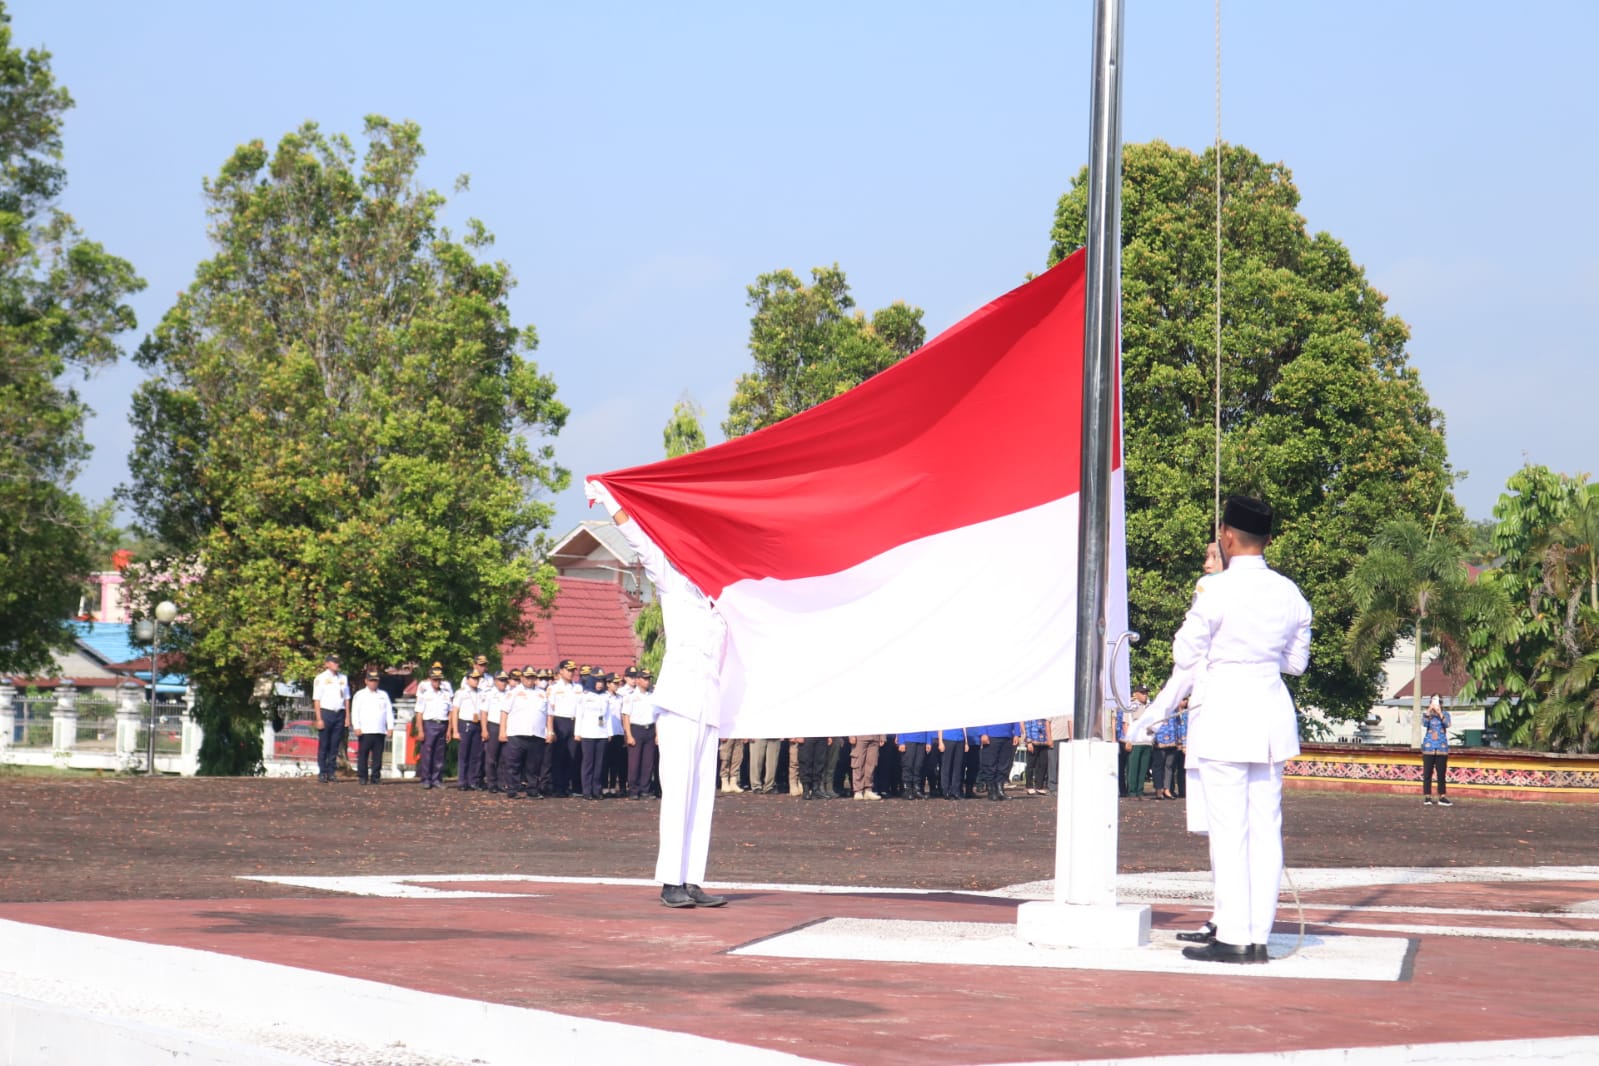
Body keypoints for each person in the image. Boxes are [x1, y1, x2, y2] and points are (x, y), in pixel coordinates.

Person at [1136, 495, 1312, 965]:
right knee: (1265, 830)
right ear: (1268, 539)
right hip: (1271, 713)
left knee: (1229, 831)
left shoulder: (1215, 591)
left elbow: (1183, 654)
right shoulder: (1290, 593)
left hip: (1226, 714)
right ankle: (1258, 934)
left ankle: (1234, 934)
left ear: (1228, 536)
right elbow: (1296, 663)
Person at [587, 481, 728, 909]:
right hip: (680, 702)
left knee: (703, 796)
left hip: (709, 706)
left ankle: (693, 879)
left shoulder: (721, 607)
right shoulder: (676, 586)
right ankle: (671, 880)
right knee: (679, 790)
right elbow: (643, 546)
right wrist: (609, 501)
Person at [311, 655, 350, 784]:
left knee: (335, 745)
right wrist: (319, 718)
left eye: (338, 662)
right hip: (326, 712)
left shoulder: (343, 678)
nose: (336, 664)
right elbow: (317, 699)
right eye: (334, 662)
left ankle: (331, 772)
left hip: (339, 713)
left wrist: (347, 717)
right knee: (324, 745)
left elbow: (346, 699)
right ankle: (323, 772)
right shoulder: (321, 678)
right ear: (327, 664)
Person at [350, 670, 393, 785]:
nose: (373, 683)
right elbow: (355, 712)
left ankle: (375, 776)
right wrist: (357, 726)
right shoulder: (360, 695)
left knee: (378, 756)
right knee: (363, 755)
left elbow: (389, 711)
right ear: (366, 681)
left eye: (375, 681)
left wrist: (390, 727)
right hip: (365, 730)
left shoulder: (383, 695)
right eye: (371, 680)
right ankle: (363, 776)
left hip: (379, 730)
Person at [414, 665, 452, 789]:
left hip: (442, 724)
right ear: (430, 680)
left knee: (439, 754)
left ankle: (436, 779)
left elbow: (450, 712)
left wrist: (449, 729)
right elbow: (419, 712)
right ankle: (426, 778)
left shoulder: (445, 693)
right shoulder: (425, 693)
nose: (437, 682)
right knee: (427, 753)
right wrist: (420, 730)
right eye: (435, 679)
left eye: (439, 679)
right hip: (429, 724)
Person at [622, 667, 659, 800]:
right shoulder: (630, 696)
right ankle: (633, 789)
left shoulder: (652, 696)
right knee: (634, 762)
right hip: (636, 729)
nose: (647, 681)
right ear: (637, 680)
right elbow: (626, 716)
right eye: (645, 678)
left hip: (649, 729)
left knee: (648, 762)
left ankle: (645, 789)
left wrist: (657, 734)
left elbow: (656, 717)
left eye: (649, 678)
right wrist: (629, 735)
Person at [575, 670, 611, 800]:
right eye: (597, 681)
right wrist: (577, 733)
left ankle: (597, 789)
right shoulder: (585, 696)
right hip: (588, 733)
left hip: (602, 733)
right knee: (588, 763)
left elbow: (608, 716)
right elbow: (579, 715)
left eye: (602, 681)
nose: (600, 684)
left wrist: (610, 732)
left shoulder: (606, 696)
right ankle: (587, 790)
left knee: (599, 763)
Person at [546, 660, 581, 796]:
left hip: (574, 722)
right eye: (568, 670)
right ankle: (557, 786)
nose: (571, 673)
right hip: (559, 721)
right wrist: (551, 729)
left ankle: (566, 785)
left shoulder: (578, 688)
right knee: (559, 755)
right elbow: (550, 709)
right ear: (561, 671)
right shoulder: (553, 688)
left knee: (571, 756)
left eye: (573, 670)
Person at [450, 670, 486, 791]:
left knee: (475, 754)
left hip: (478, 724)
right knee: (464, 754)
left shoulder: (481, 692)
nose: (476, 681)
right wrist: (455, 730)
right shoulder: (461, 693)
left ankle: (473, 781)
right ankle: (462, 781)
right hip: (465, 723)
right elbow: (455, 711)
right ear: (467, 679)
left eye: (477, 678)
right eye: (473, 678)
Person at [1421, 695, 1453, 806]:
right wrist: (1429, 710)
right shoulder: (1428, 715)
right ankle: (1427, 796)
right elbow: (1424, 723)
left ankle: (1442, 796)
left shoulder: (1445, 714)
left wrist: (1440, 713)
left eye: (1437, 701)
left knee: (1441, 773)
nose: (1435, 703)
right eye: (1433, 701)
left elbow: (1447, 724)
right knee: (1427, 773)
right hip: (1429, 747)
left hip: (1441, 747)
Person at [1122, 685, 1152, 798]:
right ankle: (1132, 791)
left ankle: (1140, 790)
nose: (1145, 695)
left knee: (1143, 768)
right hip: (1135, 741)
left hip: (1147, 741)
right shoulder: (1131, 706)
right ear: (1136, 694)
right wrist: (1128, 740)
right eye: (1142, 693)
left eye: (1146, 693)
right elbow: (1126, 724)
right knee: (1133, 768)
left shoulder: (1150, 706)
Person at [897, 731, 932, 800]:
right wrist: (901, 742)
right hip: (908, 739)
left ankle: (917, 789)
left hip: (922, 740)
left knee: (918, 766)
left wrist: (928, 742)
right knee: (908, 765)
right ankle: (907, 789)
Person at [850, 733, 884, 800]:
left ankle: (868, 790)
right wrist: (851, 735)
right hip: (859, 737)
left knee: (871, 765)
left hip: (875, 737)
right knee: (858, 763)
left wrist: (883, 736)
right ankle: (858, 791)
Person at [937, 726, 967, 800]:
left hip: (960, 739)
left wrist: (966, 742)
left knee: (958, 767)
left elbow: (964, 727)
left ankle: (955, 791)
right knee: (946, 766)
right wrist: (940, 741)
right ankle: (946, 790)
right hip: (947, 738)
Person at [1023, 718, 1049, 794]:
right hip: (1033, 741)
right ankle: (1029, 786)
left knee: (1043, 764)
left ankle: (1039, 786)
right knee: (1031, 764)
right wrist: (1029, 742)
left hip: (1044, 742)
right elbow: (1027, 726)